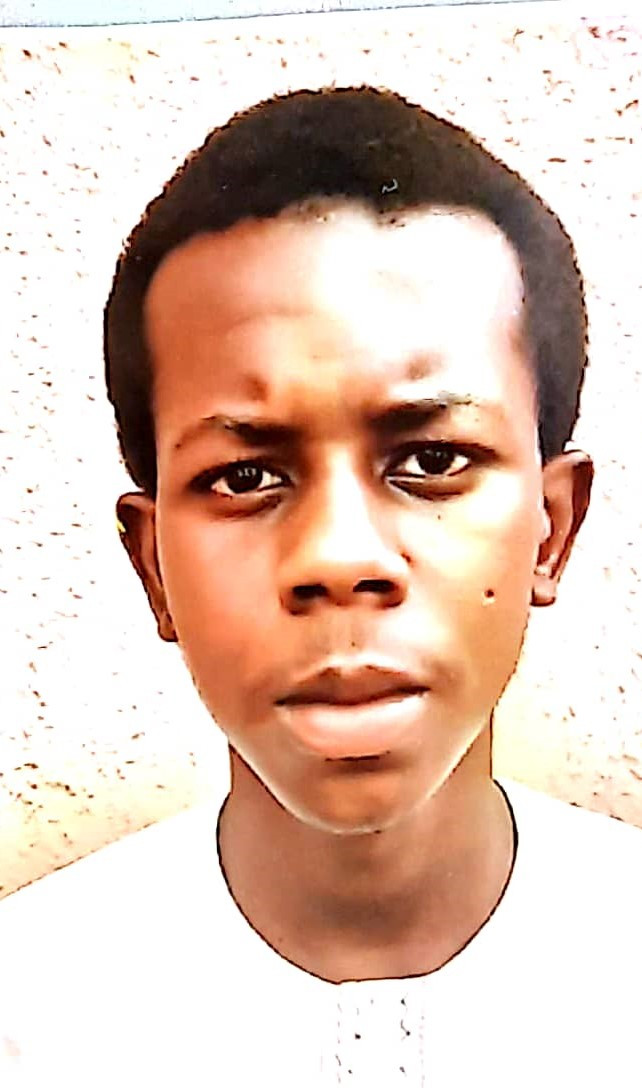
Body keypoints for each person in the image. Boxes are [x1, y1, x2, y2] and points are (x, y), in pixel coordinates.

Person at [1, 85, 640, 1087]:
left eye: (431, 460)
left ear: (551, 529)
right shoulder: (27, 1014)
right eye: (245, 476)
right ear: (154, 564)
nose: (339, 557)